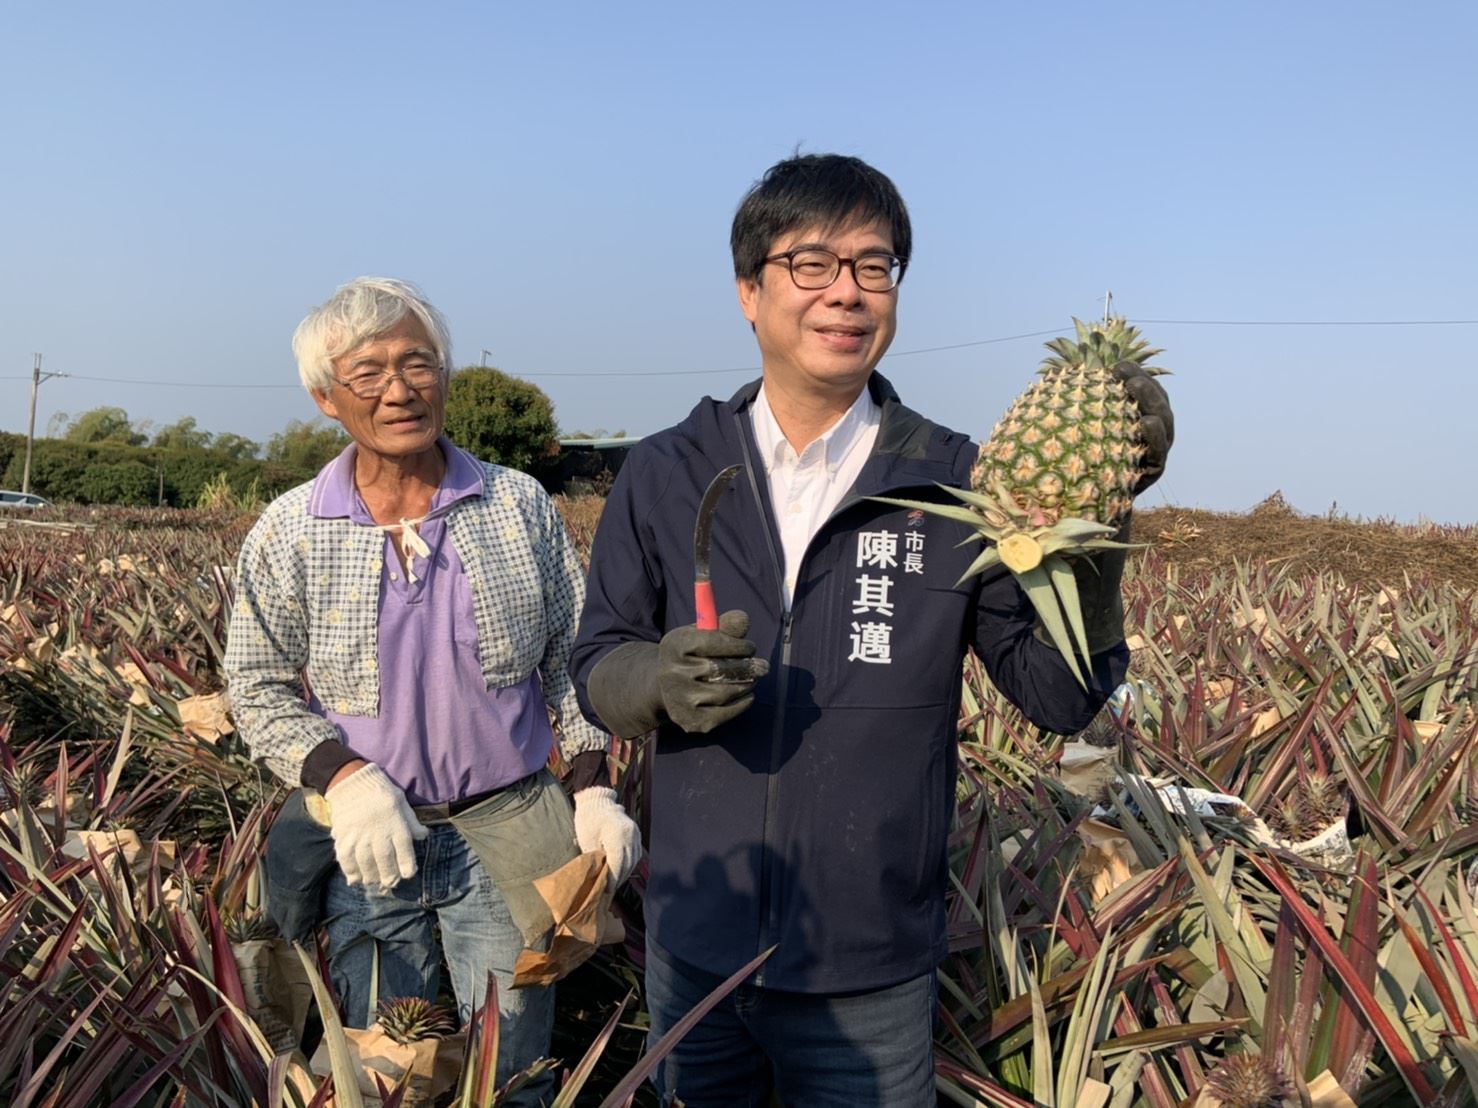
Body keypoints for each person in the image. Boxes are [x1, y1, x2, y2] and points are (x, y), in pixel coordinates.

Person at [569, 155, 1173, 1105]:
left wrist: (1107, 517)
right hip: (696, 942)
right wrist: (653, 682)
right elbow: (598, 656)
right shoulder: (666, 468)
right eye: (811, 263)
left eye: (875, 265)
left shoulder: (961, 481)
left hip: (870, 965)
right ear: (749, 291)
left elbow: (1059, 696)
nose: (845, 292)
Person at [224, 276, 641, 1105]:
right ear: (325, 397)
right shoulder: (292, 528)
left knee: (512, 1063)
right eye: (369, 372)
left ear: (444, 377)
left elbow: (570, 662)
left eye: (418, 363)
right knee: (388, 1068)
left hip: (506, 831)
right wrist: (344, 776)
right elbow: (256, 685)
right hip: (372, 847)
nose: (400, 388)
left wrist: (594, 788)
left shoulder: (516, 505)